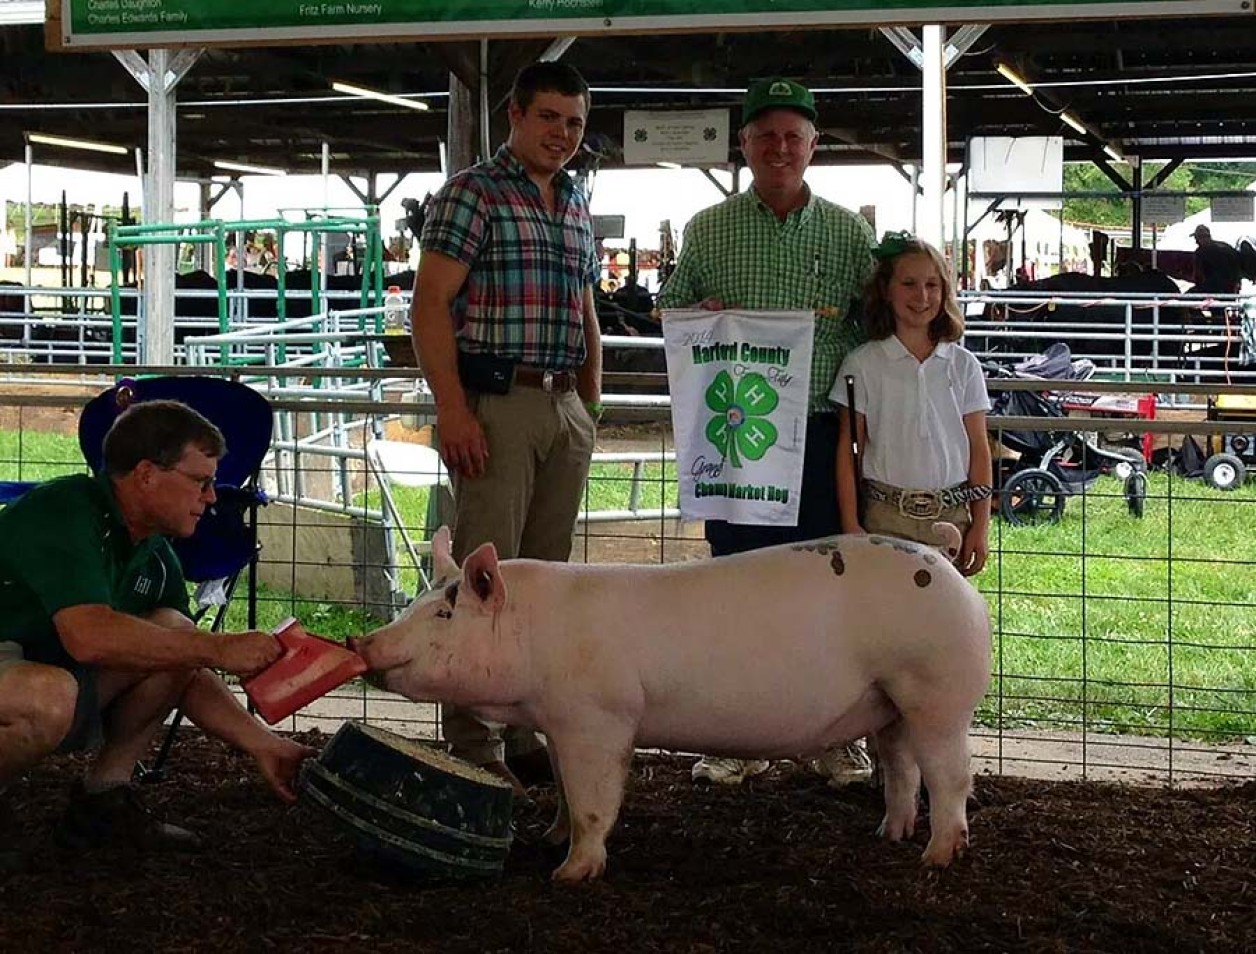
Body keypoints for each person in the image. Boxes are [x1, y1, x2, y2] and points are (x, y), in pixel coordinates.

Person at [656, 77, 875, 787]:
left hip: (817, 437)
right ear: (744, 145)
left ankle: (834, 736)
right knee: (734, 586)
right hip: (736, 436)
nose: (780, 148)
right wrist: (700, 310)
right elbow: (671, 310)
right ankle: (735, 735)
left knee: (823, 585)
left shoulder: (849, 234)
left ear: (814, 146)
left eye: (794, 136)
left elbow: (874, 328)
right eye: (766, 135)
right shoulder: (708, 230)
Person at [0, 400, 315, 869]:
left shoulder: (155, 552)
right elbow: (88, 636)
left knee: (172, 633)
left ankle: (102, 803)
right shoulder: (65, 510)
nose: (212, 497)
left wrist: (264, 745)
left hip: (31, 670)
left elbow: (183, 665)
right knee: (50, 695)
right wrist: (217, 648)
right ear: (146, 475)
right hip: (23, 670)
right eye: (201, 481)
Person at [410, 60, 602, 796]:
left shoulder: (576, 198)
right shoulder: (473, 192)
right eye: (550, 117)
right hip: (500, 399)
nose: (562, 134)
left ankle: (524, 722)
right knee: (484, 571)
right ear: (515, 117)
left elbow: (586, 310)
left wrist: (588, 399)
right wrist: (453, 408)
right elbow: (430, 303)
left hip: (561, 405)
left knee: (542, 577)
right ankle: (469, 735)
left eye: (574, 122)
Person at [834, 232, 992, 574]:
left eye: (932, 285)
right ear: (886, 291)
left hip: (951, 515)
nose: (921, 296)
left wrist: (981, 525)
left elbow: (979, 449)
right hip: (884, 515)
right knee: (883, 619)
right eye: (908, 283)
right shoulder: (862, 364)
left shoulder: (963, 365)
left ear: (944, 292)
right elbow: (849, 451)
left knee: (946, 621)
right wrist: (850, 524)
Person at [1190, 224, 1242, 296]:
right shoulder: (1226, 246)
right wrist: (1238, 283)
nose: (1196, 242)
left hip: (1211, 290)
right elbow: (1237, 265)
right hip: (1230, 288)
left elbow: (1198, 275)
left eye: (1196, 238)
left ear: (1202, 237)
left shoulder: (1200, 252)